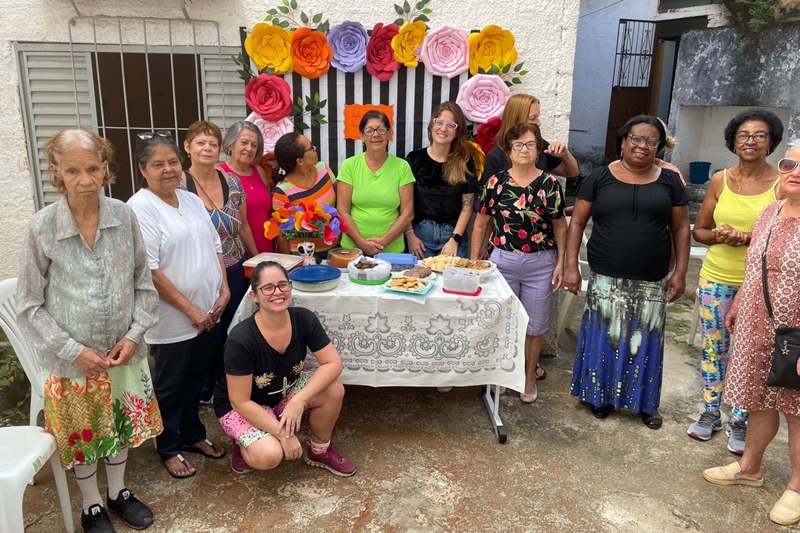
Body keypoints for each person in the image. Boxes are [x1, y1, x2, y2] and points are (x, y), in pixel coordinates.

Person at [16, 129, 161, 532]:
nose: (85, 180)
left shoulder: (123, 215)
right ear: (57, 172)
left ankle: (118, 492)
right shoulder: (43, 226)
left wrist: (133, 335)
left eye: (93, 169)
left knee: (119, 423)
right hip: (72, 361)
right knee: (85, 435)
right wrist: (72, 350)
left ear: (105, 168)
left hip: (122, 353)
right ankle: (92, 505)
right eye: (73, 171)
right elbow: (28, 304)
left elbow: (143, 284)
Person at [565, 115, 690, 429]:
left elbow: (680, 228)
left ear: (658, 147)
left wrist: (680, 272)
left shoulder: (669, 181)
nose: (643, 145)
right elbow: (577, 222)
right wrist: (571, 266)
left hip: (651, 278)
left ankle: (646, 403)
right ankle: (600, 396)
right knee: (604, 339)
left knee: (645, 343)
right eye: (636, 138)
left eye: (651, 141)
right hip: (606, 277)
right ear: (623, 141)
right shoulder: (598, 177)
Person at [702, 144, 800, 527]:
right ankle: (750, 468)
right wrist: (740, 302)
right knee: (759, 399)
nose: (795, 171)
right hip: (758, 325)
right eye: (790, 163)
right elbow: (755, 264)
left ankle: (796, 488)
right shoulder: (769, 213)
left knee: (797, 411)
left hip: (796, 335)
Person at [127, 133, 229, 479]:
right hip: (174, 319)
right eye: (158, 164)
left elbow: (216, 246)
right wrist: (190, 310)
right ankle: (169, 447)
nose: (168, 169)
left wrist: (224, 290)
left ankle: (192, 434)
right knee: (170, 384)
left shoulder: (190, 199)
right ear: (143, 169)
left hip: (208, 311)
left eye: (172, 161)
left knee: (195, 379)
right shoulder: (140, 207)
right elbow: (151, 270)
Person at [688, 108, 784, 452]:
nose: (750, 141)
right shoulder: (720, 180)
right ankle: (711, 412)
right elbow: (700, 230)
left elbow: (784, 235)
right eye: (743, 135)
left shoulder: (781, 184)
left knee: (751, 353)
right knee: (714, 349)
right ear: (733, 142)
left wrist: (746, 237)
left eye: (760, 135)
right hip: (716, 278)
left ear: (771, 142)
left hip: (761, 285)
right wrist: (719, 235)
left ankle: (741, 418)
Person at [214, 261, 357, 477]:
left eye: (283, 285)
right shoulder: (241, 339)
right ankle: (241, 441)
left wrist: (298, 401)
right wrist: (284, 435)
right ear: (254, 296)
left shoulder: (303, 319)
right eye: (268, 288)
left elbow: (333, 363)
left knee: (333, 389)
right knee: (269, 455)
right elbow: (239, 401)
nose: (277, 292)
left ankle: (319, 451)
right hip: (244, 406)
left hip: (282, 395)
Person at [471, 122, 566, 403]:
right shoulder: (496, 183)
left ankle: (528, 376)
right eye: (518, 145)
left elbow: (560, 226)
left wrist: (561, 262)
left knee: (535, 325)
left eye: (530, 144)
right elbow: (480, 225)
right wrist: (474, 260)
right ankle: (502, 374)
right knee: (503, 320)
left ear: (538, 149)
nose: (524, 150)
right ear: (509, 151)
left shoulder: (549, 184)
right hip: (503, 262)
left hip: (541, 263)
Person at [182, 120, 258, 403]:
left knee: (233, 328)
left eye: (212, 144)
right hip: (200, 271)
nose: (207, 148)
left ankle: (228, 384)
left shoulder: (232, 182)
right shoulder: (178, 185)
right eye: (200, 143)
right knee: (205, 331)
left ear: (220, 149)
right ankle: (203, 384)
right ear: (187, 147)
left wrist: (256, 260)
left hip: (235, 265)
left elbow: (243, 226)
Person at [405, 102, 478, 259]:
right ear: (432, 125)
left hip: (452, 237)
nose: (443, 128)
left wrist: (455, 239)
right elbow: (404, 203)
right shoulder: (414, 159)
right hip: (419, 237)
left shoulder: (465, 162)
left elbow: (467, 207)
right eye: (439, 122)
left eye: (451, 125)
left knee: (454, 276)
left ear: (457, 132)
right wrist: (410, 235)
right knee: (418, 276)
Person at [337, 110, 415, 256]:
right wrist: (361, 242)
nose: (376, 134)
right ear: (361, 136)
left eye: (381, 129)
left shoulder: (402, 167)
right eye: (369, 130)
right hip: (353, 250)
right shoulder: (349, 166)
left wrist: (382, 243)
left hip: (391, 251)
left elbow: (407, 214)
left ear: (389, 134)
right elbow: (342, 211)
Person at [482, 93, 579, 183]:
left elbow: (572, 173)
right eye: (532, 118)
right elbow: (488, 193)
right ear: (516, 119)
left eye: (538, 117)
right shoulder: (496, 156)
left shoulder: (540, 145)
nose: (539, 123)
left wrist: (565, 155)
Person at [272, 132, 338, 255]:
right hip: (302, 255)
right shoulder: (282, 192)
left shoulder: (324, 169)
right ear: (300, 161)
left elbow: (340, 200)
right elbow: (281, 233)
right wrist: (290, 262)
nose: (315, 148)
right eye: (311, 148)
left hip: (334, 250)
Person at [219, 120, 275, 254]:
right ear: (230, 144)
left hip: (268, 249)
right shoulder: (220, 174)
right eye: (244, 143)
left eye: (254, 145)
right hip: (240, 253)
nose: (249, 148)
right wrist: (255, 255)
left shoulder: (259, 171)